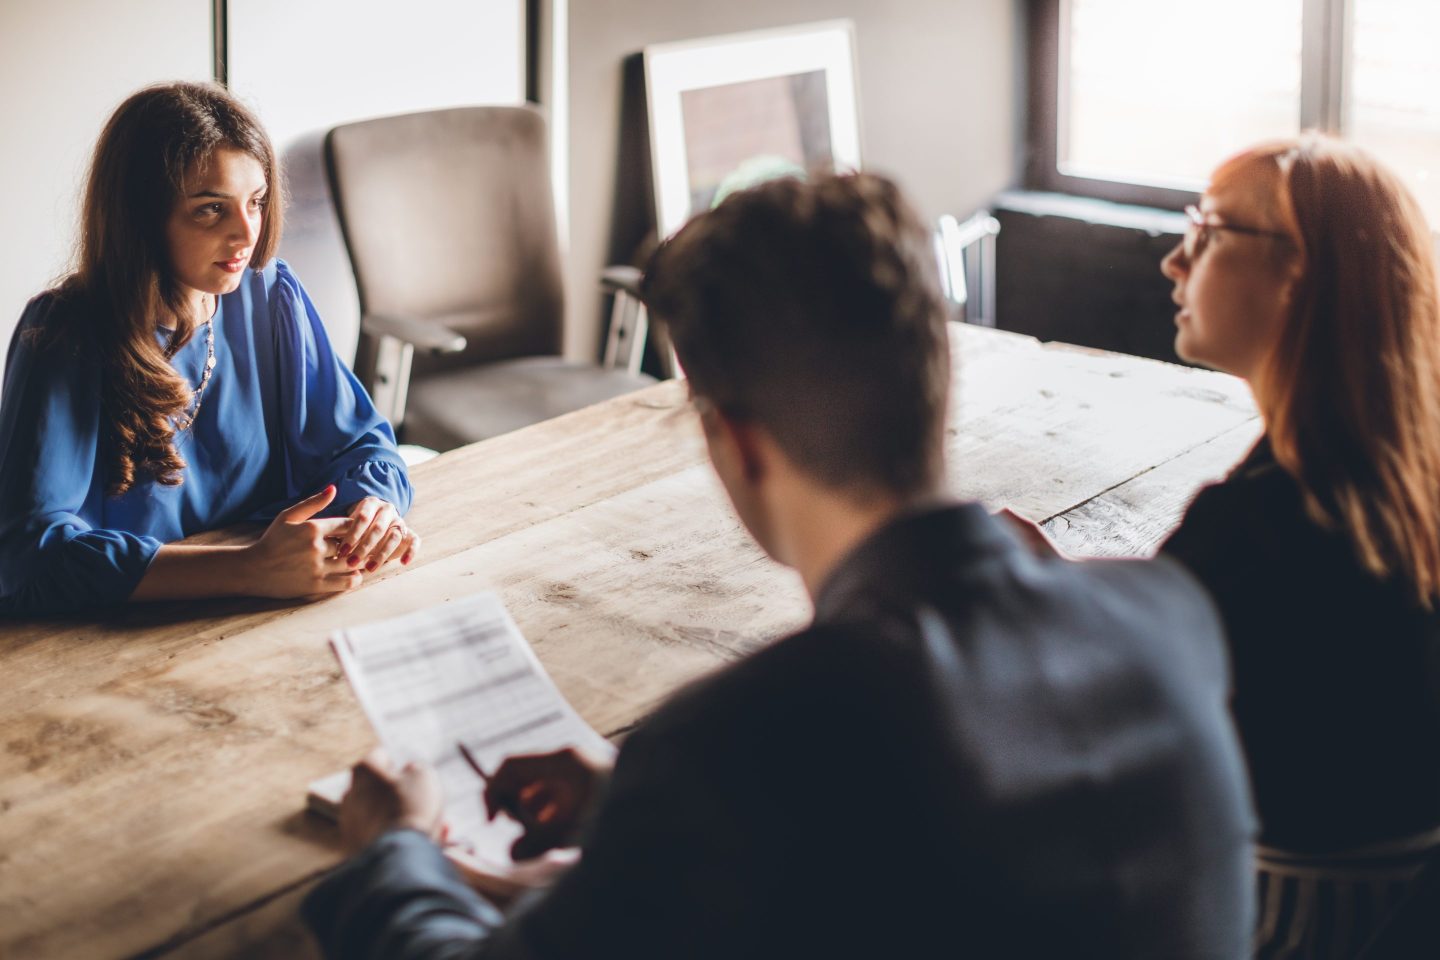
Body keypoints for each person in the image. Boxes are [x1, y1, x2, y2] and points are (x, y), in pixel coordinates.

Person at [303, 172, 1256, 958]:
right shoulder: (1166, 616)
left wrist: (393, 851)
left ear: (737, 443)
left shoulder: (735, 748)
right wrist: (632, 807)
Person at [1155, 135, 1440, 958]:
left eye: (1208, 232)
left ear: (1302, 276)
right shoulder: (1387, 482)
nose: (1177, 262)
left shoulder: (1259, 530)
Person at [0, 82, 419, 617]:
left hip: (267, 611)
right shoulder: (64, 335)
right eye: (210, 210)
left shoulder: (269, 294)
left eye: (257, 202)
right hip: (117, 636)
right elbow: (29, 557)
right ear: (141, 218)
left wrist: (374, 511)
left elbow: (361, 443)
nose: (246, 233)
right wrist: (249, 568)